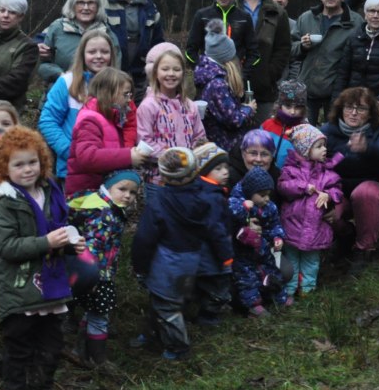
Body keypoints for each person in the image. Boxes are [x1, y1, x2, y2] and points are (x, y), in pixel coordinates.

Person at [0, 127, 82, 390]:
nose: (27, 169)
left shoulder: (50, 190)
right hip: (19, 288)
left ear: (42, 161)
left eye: (32, 162)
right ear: (4, 168)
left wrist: (72, 245)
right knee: (19, 349)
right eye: (18, 164)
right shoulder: (3, 202)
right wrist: (47, 242)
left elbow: (59, 227)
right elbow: (6, 247)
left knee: (50, 348)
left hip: (51, 287)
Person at [130, 144, 233, 356]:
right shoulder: (207, 196)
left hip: (167, 261)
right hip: (192, 258)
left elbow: (144, 237)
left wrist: (139, 265)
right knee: (172, 298)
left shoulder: (159, 201)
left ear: (163, 175)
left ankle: (178, 347)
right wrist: (226, 255)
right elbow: (216, 228)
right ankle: (153, 332)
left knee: (166, 305)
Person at [68, 169, 141, 371]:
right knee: (100, 315)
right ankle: (99, 359)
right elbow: (92, 247)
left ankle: (80, 350)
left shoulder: (102, 205)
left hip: (95, 272)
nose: (127, 195)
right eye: (122, 189)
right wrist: (92, 277)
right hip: (97, 274)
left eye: (133, 192)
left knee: (92, 311)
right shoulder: (105, 214)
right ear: (108, 187)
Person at [320, 88, 379, 274]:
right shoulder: (328, 130)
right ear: (340, 109)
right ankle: (346, 236)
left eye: (361, 108)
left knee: (365, 193)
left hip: (375, 190)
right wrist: (345, 150)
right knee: (322, 209)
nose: (354, 113)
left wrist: (367, 149)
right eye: (349, 107)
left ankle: (364, 249)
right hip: (338, 190)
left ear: (370, 112)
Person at [278, 125, 344, 299]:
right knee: (292, 259)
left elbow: (337, 189)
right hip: (293, 225)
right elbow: (283, 187)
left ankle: (307, 288)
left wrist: (329, 195)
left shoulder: (327, 172)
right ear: (305, 150)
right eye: (319, 146)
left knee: (311, 261)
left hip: (316, 227)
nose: (325, 149)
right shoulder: (291, 170)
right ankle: (290, 289)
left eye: (324, 145)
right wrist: (303, 187)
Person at [38, 28, 117, 174]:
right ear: (82, 54)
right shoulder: (67, 82)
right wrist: (70, 151)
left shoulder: (119, 84)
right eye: (92, 52)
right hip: (73, 169)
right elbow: (48, 121)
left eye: (104, 52)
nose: (98, 56)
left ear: (112, 55)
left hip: (110, 169)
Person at [65, 67, 143, 199]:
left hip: (99, 192)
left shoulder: (112, 119)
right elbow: (87, 157)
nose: (129, 100)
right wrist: (128, 156)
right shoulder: (90, 119)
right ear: (108, 93)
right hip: (85, 196)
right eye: (126, 94)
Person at [97, 0, 165, 99]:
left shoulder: (150, 9)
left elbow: (159, 45)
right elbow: (70, 20)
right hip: (105, 80)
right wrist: (43, 39)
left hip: (139, 82)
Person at [292, 0, 359, 123]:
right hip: (307, 90)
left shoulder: (355, 22)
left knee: (332, 137)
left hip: (337, 93)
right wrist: (302, 46)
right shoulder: (306, 18)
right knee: (303, 134)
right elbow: (290, 49)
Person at [136, 42, 208, 173]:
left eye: (176, 69)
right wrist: (173, 159)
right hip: (158, 178)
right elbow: (145, 141)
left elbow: (199, 136)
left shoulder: (190, 105)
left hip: (187, 174)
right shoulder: (148, 106)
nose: (171, 73)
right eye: (165, 69)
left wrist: (194, 153)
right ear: (156, 73)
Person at [228, 166, 288, 316]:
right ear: (249, 193)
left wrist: (277, 237)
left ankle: (279, 297)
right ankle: (253, 305)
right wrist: (244, 208)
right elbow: (231, 213)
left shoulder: (269, 207)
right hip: (243, 254)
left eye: (268, 194)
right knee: (247, 280)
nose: (266, 199)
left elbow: (275, 224)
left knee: (272, 273)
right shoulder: (237, 203)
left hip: (264, 249)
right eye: (262, 195)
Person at [36, 0, 120, 89]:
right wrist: (62, 76)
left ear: (98, 6)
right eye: (80, 2)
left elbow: (115, 68)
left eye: (91, 3)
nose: (86, 7)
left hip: (97, 94)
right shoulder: (57, 28)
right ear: (72, 5)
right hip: (61, 90)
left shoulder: (107, 33)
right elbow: (42, 64)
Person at [193, 20, 257, 154]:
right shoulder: (217, 84)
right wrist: (249, 109)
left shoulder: (210, 75)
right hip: (225, 146)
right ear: (226, 57)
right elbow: (233, 119)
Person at [239, 0, 292, 121]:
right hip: (229, 86)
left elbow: (283, 48)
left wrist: (269, 75)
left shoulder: (277, 12)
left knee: (262, 140)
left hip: (263, 90)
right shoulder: (228, 6)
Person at [184, 0, 258, 71]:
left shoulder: (244, 18)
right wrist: (201, 70)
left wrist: (243, 75)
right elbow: (190, 50)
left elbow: (254, 53)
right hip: (208, 78)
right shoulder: (202, 15)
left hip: (236, 78)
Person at [261, 78, 309, 172]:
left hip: (290, 179)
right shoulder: (267, 125)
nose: (292, 112)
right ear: (280, 105)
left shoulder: (306, 131)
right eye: (288, 106)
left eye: (298, 107)